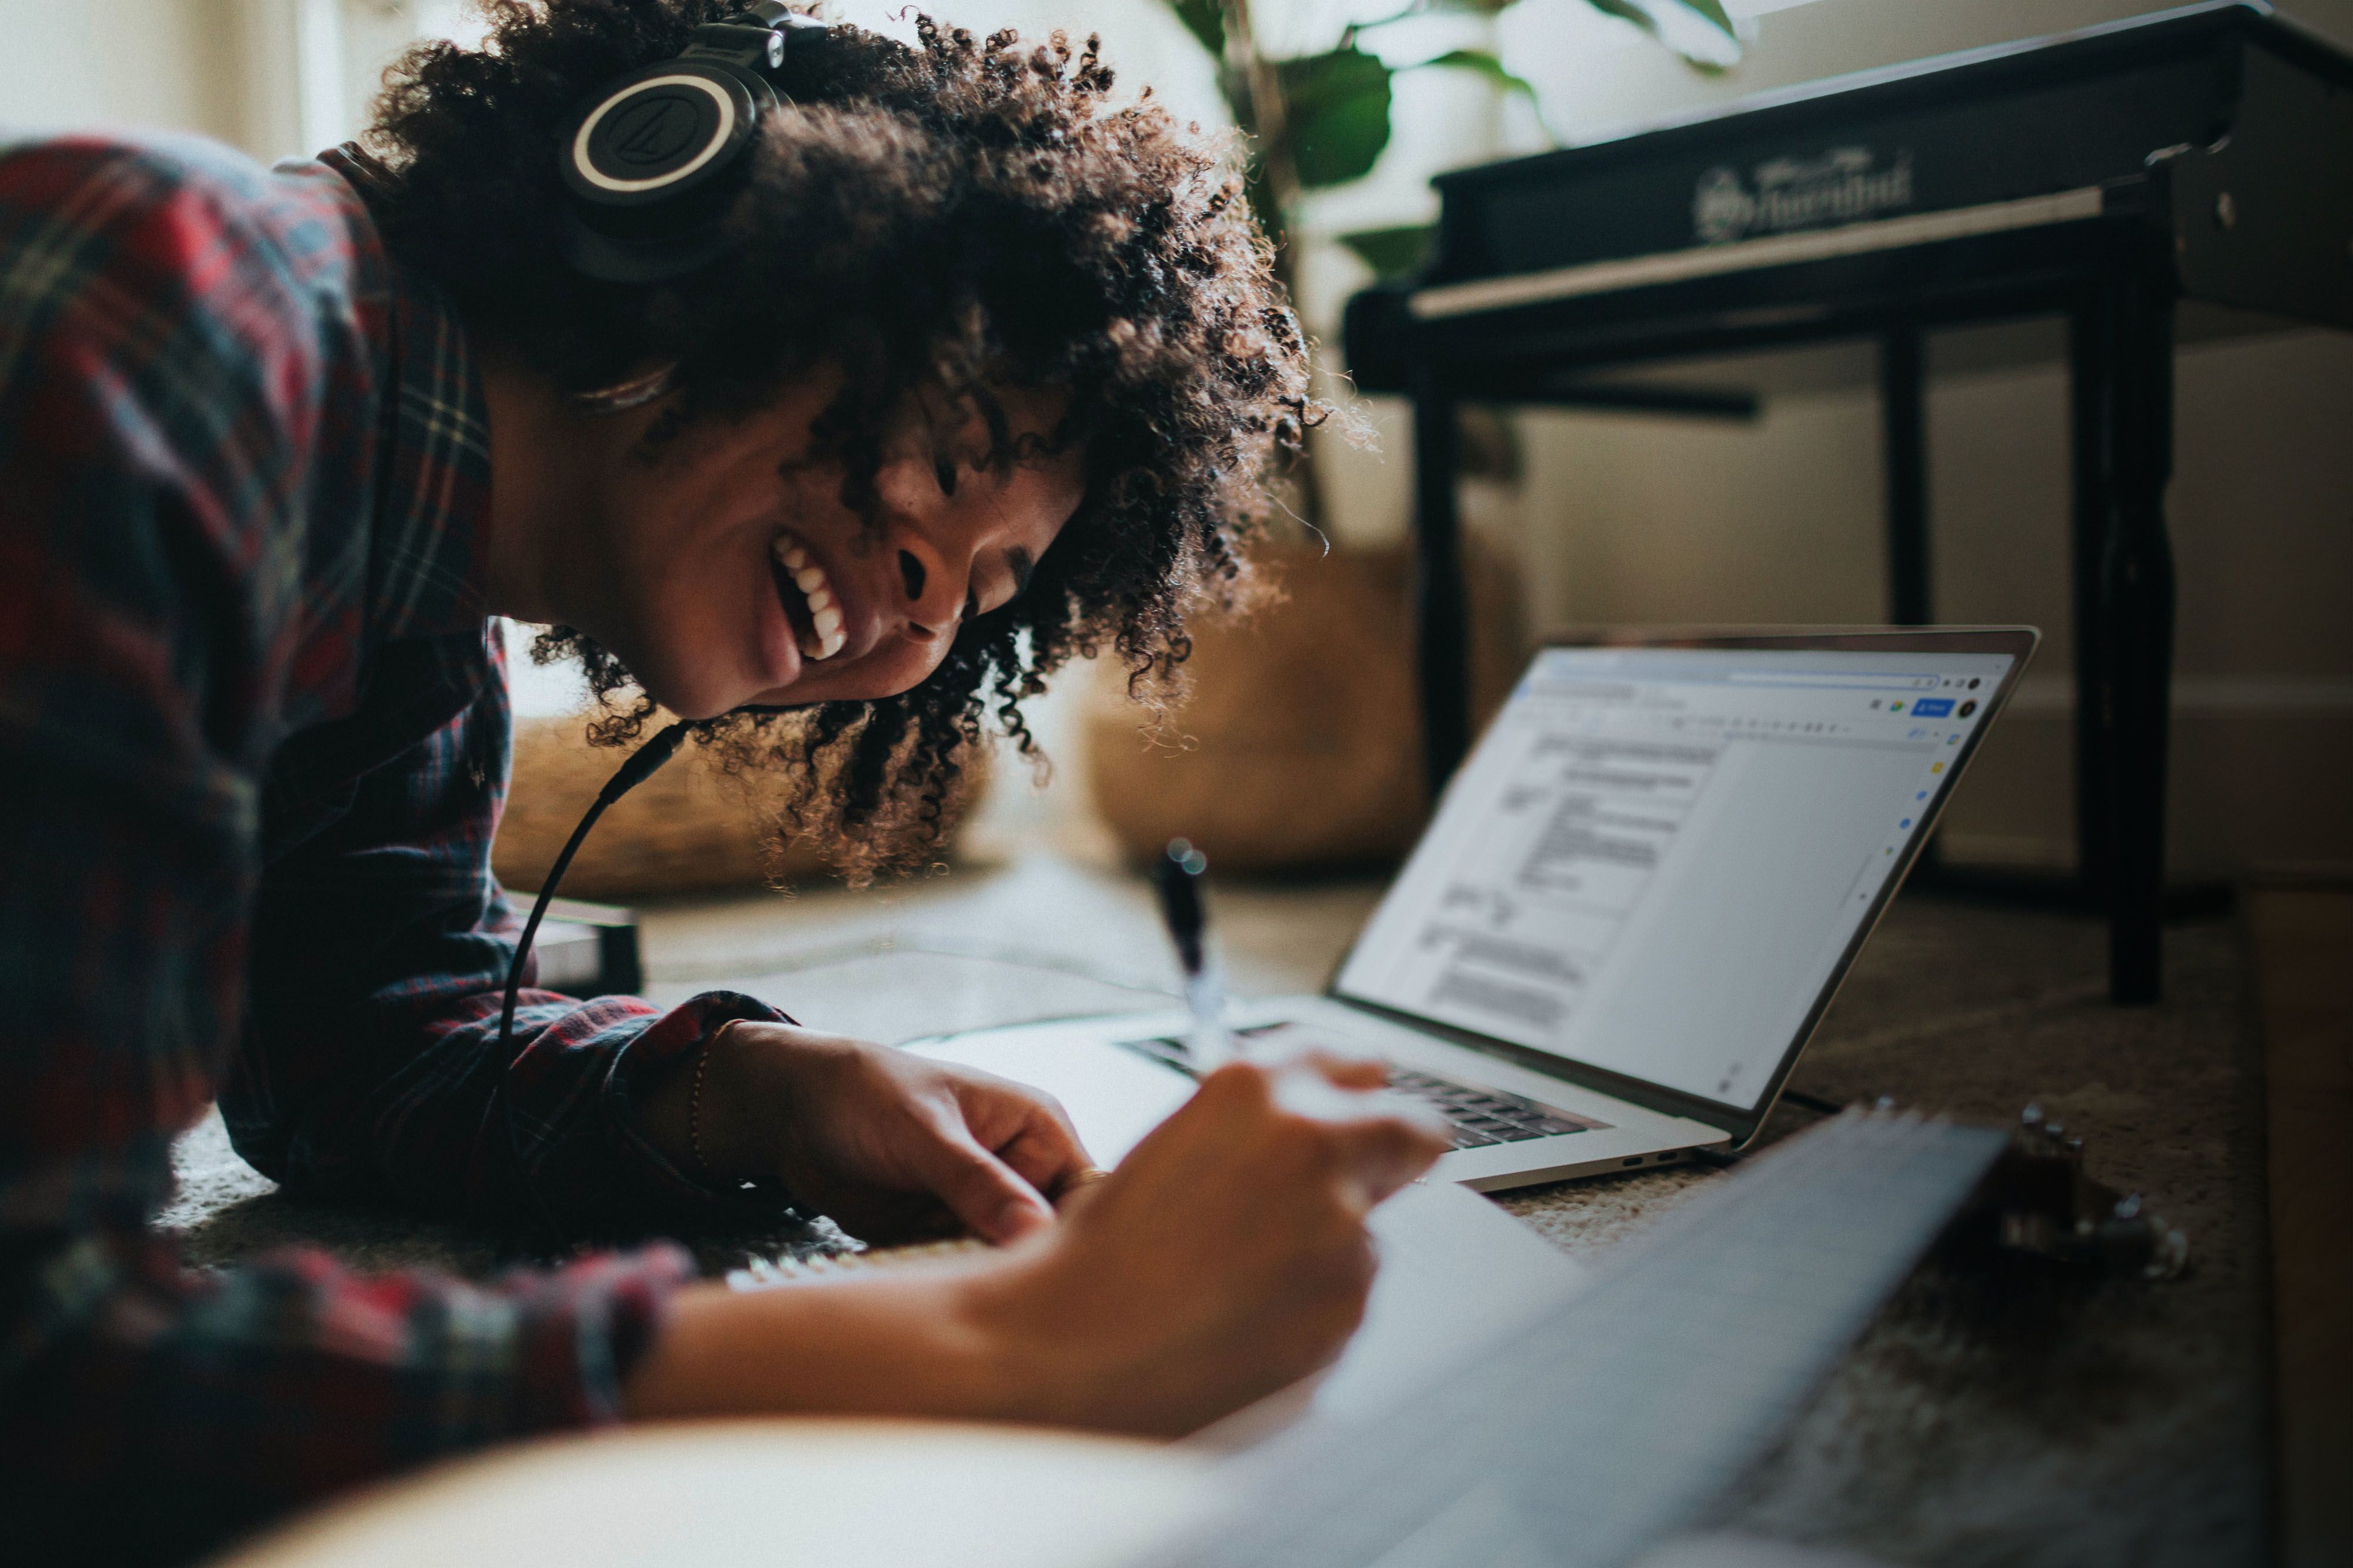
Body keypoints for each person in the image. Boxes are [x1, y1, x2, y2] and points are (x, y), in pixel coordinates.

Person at [0, 4, 1448, 1562]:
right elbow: (45, 1372)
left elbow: (359, 1044)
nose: (926, 604)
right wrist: (1006, 1351)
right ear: (687, 211)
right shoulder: (171, 308)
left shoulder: (410, 596)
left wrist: (762, 1091)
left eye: (995, 587)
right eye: (953, 444)